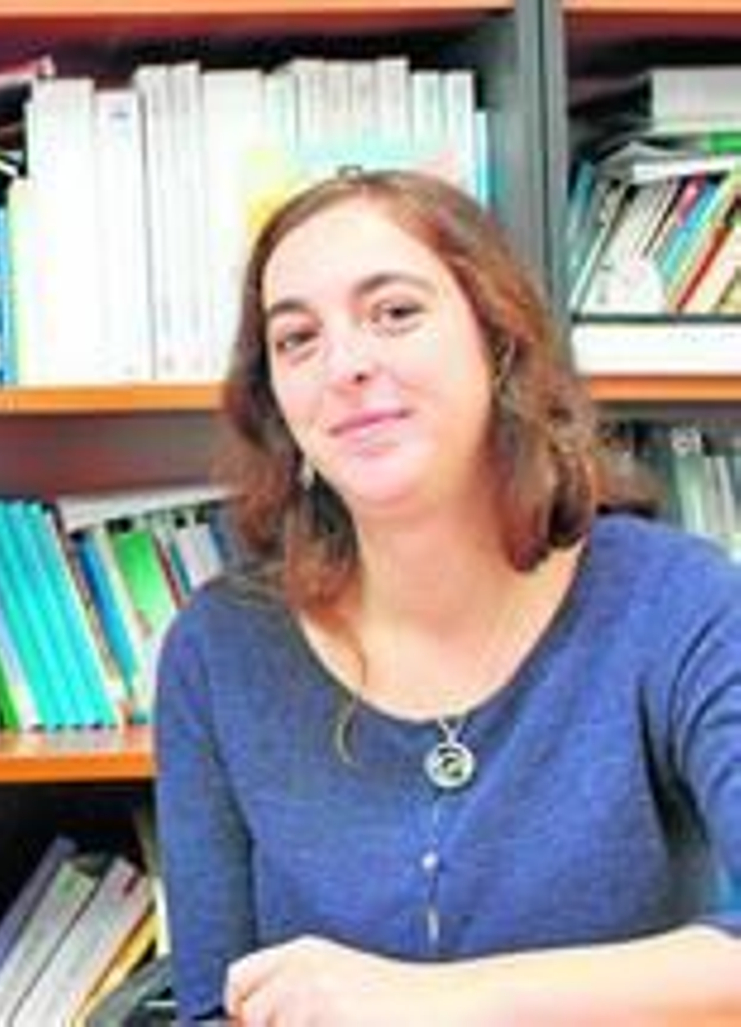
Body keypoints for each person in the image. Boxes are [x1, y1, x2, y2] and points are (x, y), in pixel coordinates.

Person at [155, 169, 741, 1025]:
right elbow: (212, 1009)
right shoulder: (220, 650)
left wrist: (435, 1002)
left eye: (395, 312)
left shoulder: (674, 602)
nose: (347, 364)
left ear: (497, 341)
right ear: (277, 403)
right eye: (297, 339)